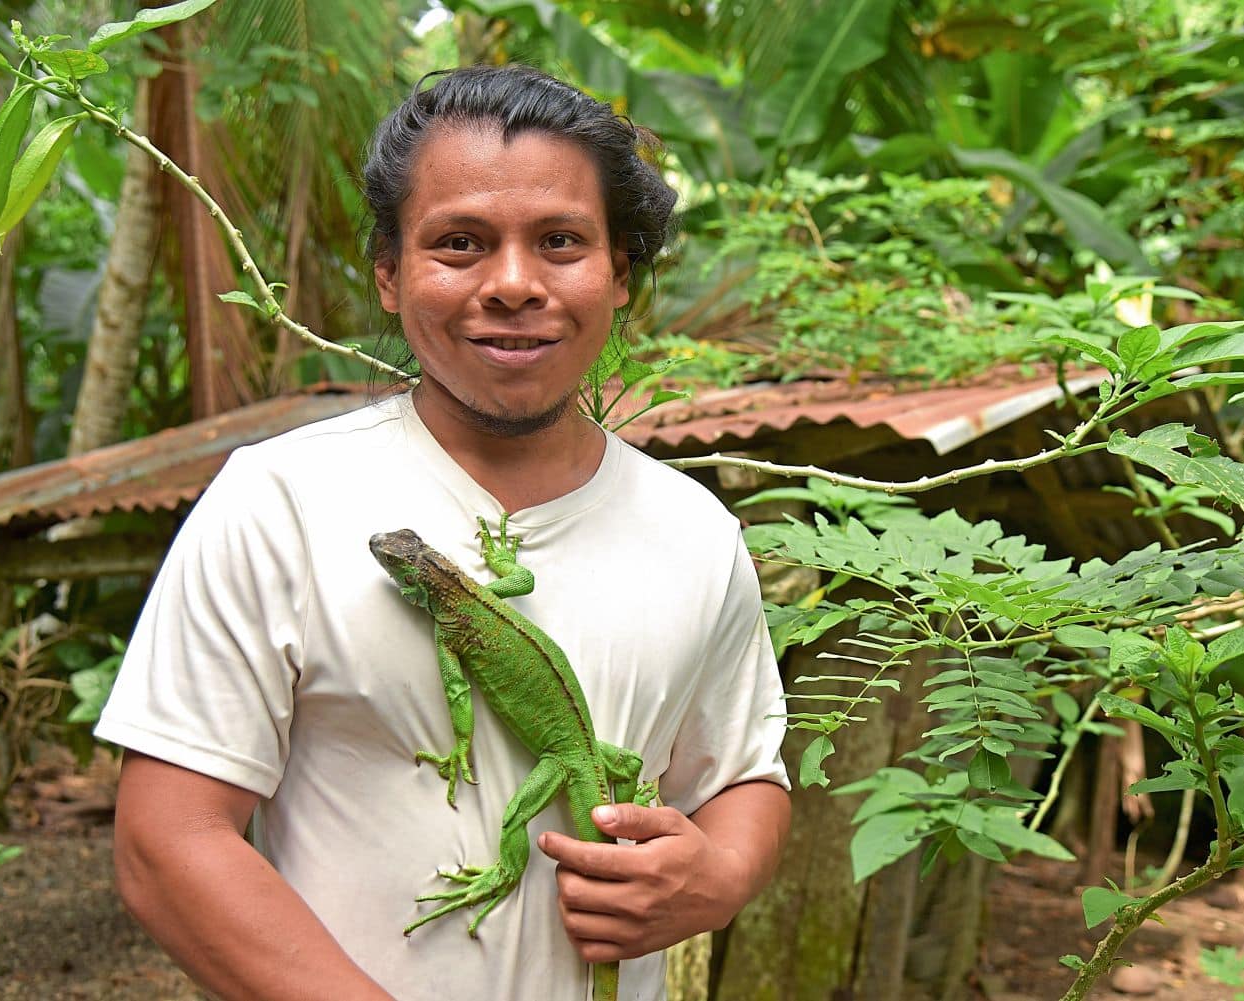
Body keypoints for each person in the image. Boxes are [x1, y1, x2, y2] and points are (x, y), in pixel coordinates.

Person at [96, 64, 791, 1001]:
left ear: (618, 275)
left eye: (560, 241)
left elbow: (744, 775)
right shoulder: (279, 500)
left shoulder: (697, 531)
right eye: (460, 242)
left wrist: (719, 876)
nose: (513, 284)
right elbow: (165, 843)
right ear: (389, 275)